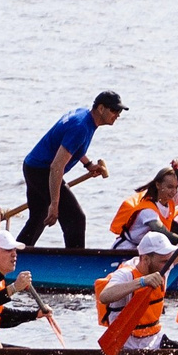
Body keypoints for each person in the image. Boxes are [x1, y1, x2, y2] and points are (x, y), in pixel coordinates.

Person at [19, 91, 125, 249]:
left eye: (120, 112)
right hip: (42, 171)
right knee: (75, 218)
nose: (117, 115)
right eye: (114, 111)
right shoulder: (80, 127)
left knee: (38, 218)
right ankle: (76, 264)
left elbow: (72, 146)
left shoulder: (85, 117)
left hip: (32, 166)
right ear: (101, 108)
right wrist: (55, 204)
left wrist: (88, 164)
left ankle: (17, 254)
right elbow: (56, 166)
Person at [97, 230, 178, 353]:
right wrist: (142, 282)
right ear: (146, 259)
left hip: (155, 341)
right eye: (163, 261)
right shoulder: (125, 274)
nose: (168, 265)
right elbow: (104, 296)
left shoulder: (163, 268)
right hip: (126, 346)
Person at [110, 163, 178, 250]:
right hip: (127, 248)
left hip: (147, 250)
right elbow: (161, 231)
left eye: (176, 187)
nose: (174, 192)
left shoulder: (171, 200)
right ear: (158, 185)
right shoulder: (147, 210)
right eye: (170, 187)